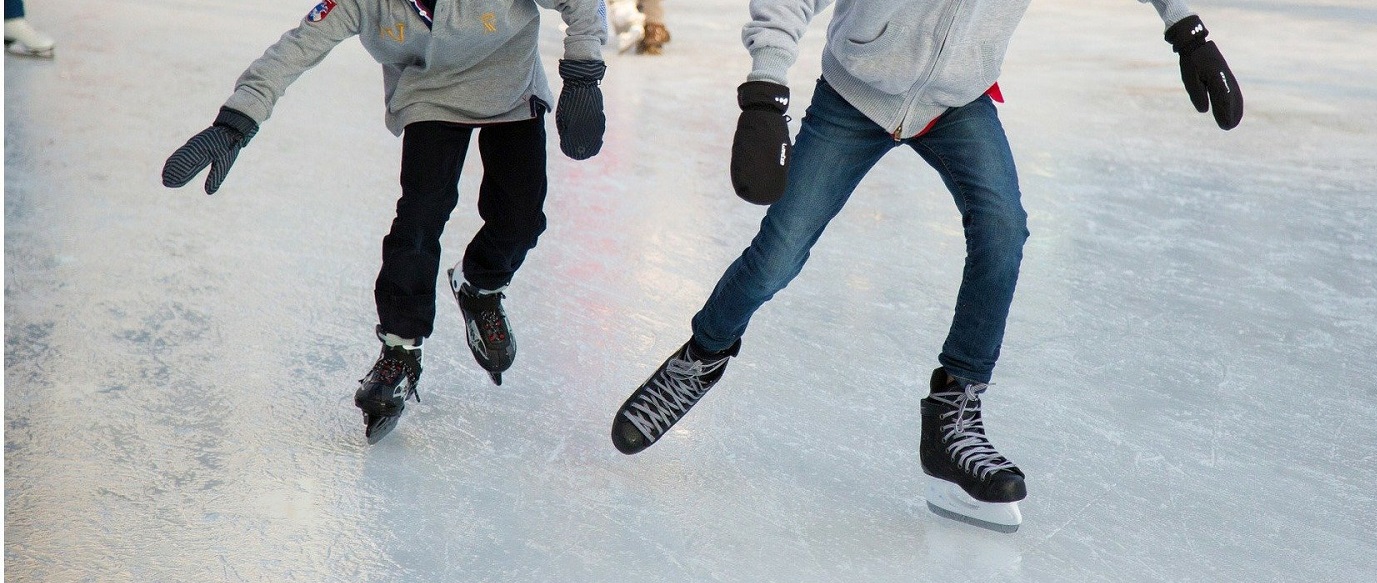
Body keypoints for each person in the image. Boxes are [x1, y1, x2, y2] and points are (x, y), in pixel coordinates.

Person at [607, 0, 1242, 532]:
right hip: (855, 94)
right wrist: (766, 92)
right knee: (779, 253)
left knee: (1002, 231)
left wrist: (1186, 28)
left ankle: (954, 411)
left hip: (956, 101)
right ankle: (701, 357)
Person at [161, 0, 609, 444]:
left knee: (521, 218)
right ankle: (399, 348)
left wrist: (583, 75)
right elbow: (297, 47)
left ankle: (480, 285)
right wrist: (237, 119)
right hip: (429, 97)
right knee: (418, 219)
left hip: (510, 88)